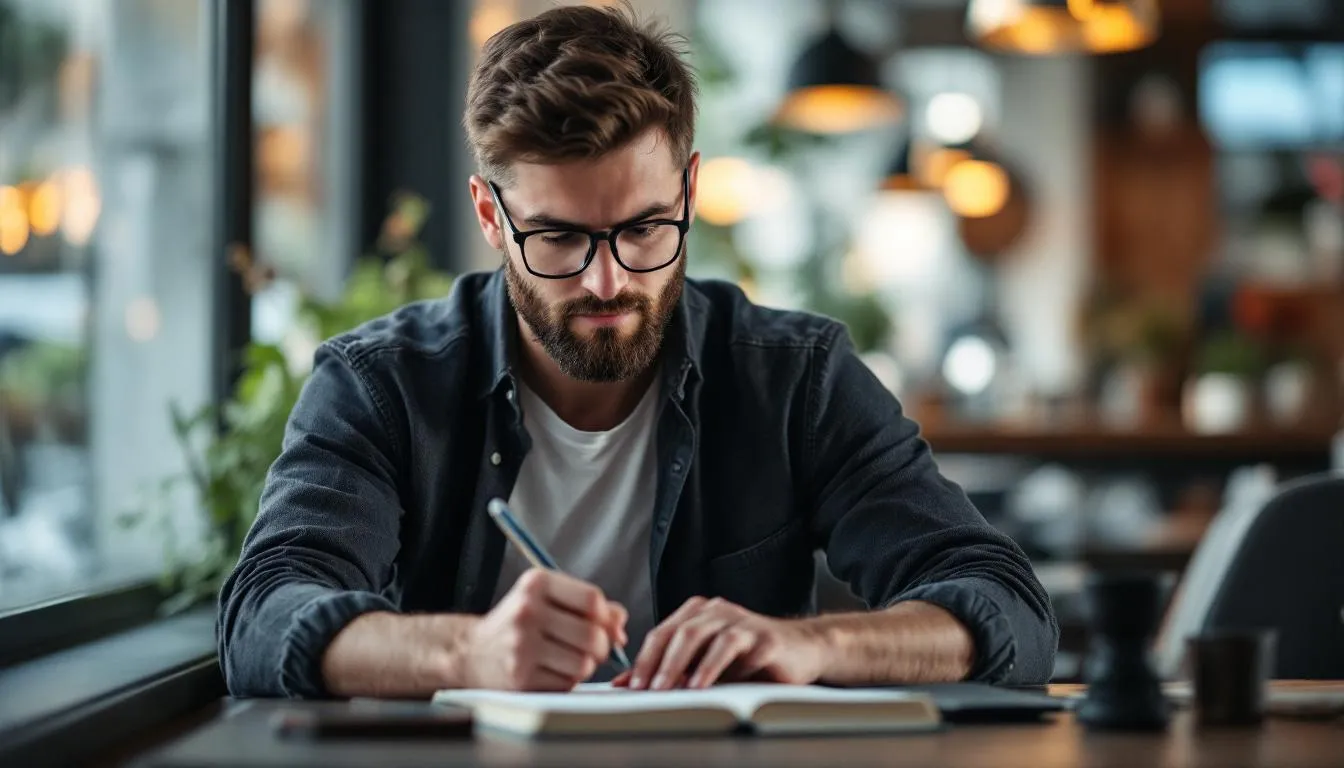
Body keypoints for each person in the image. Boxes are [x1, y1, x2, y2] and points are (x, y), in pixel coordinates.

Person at [217, 3, 1057, 699]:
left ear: (689, 190)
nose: (610, 283)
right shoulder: (382, 385)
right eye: (558, 238)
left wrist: (815, 646)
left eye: (645, 229)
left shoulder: (794, 377)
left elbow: (1006, 605)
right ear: (489, 217)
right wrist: (466, 655)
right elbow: (261, 614)